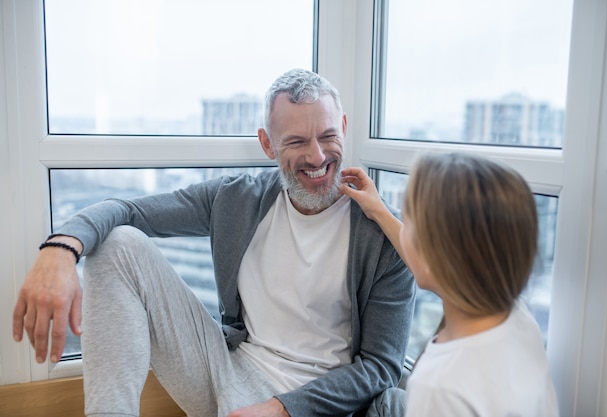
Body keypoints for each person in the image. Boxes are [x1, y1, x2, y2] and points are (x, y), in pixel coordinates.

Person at [12, 69, 416, 417]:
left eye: (328, 135)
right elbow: (129, 210)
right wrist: (61, 248)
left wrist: (282, 407)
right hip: (226, 369)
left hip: (312, 405)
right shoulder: (236, 199)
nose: (318, 155)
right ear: (267, 144)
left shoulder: (381, 234)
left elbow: (381, 367)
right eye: (296, 141)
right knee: (118, 244)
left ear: (343, 127)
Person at [341, 152, 559, 416]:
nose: (403, 228)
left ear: (435, 257)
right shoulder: (518, 316)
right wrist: (377, 210)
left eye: (407, 222)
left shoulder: (439, 387)